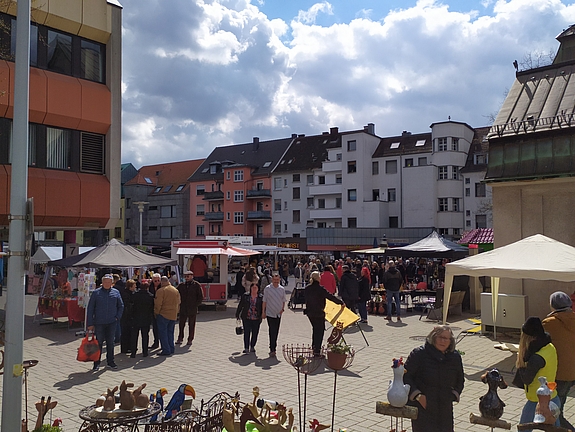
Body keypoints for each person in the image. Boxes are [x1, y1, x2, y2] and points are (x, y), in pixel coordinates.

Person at [404, 325, 464, 432]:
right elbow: (406, 377)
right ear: (433, 337)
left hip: (445, 409)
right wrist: (418, 396)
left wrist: (453, 395)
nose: (443, 341)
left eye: (446, 338)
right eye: (439, 337)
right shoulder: (419, 354)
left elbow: (460, 380)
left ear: (451, 341)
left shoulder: (455, 357)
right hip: (423, 408)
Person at [513, 316, 560, 428]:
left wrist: (521, 363)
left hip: (537, 402)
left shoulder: (536, 358)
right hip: (553, 398)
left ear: (529, 337)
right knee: (555, 430)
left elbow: (527, 379)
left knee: (523, 429)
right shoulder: (549, 347)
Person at [542, 291, 575, 430]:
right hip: (572, 372)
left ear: (552, 305)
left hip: (557, 372)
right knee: (559, 406)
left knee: (554, 412)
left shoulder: (549, 323)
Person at [86, 274, 124, 371]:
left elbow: (121, 306)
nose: (107, 284)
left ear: (112, 283)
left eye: (109, 282)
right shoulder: (96, 293)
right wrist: (90, 323)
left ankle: (110, 361)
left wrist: (117, 317)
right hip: (99, 322)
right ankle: (96, 363)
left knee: (110, 343)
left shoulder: (116, 292)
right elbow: (90, 309)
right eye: (105, 282)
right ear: (102, 283)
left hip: (112, 322)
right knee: (98, 343)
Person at [304, 271, 344, 357]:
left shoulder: (307, 288)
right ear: (318, 278)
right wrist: (340, 302)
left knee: (315, 330)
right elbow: (330, 296)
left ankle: (314, 348)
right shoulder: (320, 289)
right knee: (320, 331)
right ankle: (317, 351)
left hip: (310, 312)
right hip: (319, 313)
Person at [154, 276, 181, 356]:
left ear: (162, 282)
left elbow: (158, 304)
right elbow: (179, 302)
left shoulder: (161, 291)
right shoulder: (175, 290)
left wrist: (156, 312)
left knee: (163, 333)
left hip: (163, 314)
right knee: (170, 332)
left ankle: (166, 349)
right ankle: (171, 348)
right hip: (173, 314)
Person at [176, 270, 204, 346]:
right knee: (181, 324)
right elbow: (176, 293)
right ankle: (180, 338)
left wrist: (195, 305)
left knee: (191, 325)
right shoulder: (181, 285)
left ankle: (190, 339)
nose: (186, 278)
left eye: (188, 276)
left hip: (192, 309)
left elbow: (200, 297)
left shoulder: (196, 285)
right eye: (185, 276)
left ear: (192, 276)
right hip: (183, 308)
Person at [236, 282, 263, 354]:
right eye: (253, 287)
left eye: (255, 288)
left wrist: (263, 314)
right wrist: (237, 314)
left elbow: (263, 307)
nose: (254, 289)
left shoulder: (261, 297)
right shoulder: (245, 296)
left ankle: (252, 346)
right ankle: (246, 348)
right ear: (250, 288)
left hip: (256, 318)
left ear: (258, 289)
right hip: (246, 317)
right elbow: (240, 305)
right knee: (246, 333)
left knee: (255, 333)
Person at [262, 273, 285, 357]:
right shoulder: (268, 289)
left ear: (279, 280)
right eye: (274, 280)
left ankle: (273, 346)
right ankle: (272, 349)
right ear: (272, 280)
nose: (276, 282)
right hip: (270, 313)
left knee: (276, 331)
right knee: (272, 330)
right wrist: (263, 312)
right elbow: (264, 301)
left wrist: (282, 309)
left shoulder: (281, 289)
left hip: (278, 314)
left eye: (277, 280)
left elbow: (283, 300)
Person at [130, 281, 154, 358]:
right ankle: (145, 352)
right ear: (147, 287)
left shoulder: (135, 295)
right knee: (145, 336)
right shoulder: (150, 296)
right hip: (146, 318)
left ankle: (133, 352)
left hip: (135, 318)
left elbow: (132, 306)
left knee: (134, 336)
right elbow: (151, 308)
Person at [119, 279, 136, 354]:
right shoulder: (126, 294)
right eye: (134, 286)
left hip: (127, 316)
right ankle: (125, 348)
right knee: (125, 332)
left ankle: (128, 347)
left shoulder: (128, 293)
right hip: (126, 316)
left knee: (128, 332)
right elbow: (127, 305)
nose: (135, 287)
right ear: (130, 286)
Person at [148, 273, 162, 350]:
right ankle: (156, 342)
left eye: (158, 280)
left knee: (162, 327)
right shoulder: (150, 286)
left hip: (161, 309)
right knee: (155, 327)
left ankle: (163, 343)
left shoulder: (162, 287)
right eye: (155, 281)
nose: (156, 282)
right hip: (153, 309)